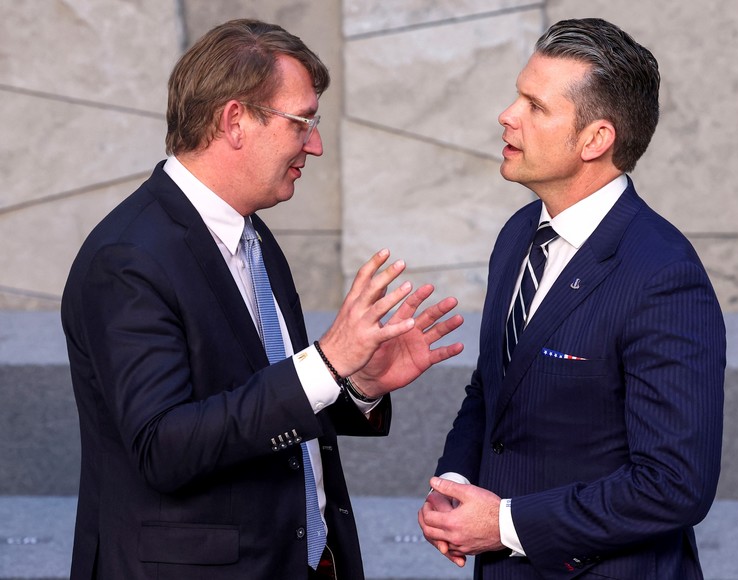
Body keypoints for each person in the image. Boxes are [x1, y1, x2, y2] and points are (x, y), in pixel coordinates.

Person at [61, 18, 464, 580]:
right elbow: (163, 449)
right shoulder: (128, 259)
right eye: (303, 122)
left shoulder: (251, 234)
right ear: (234, 121)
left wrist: (358, 383)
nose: (315, 144)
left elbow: (262, 399)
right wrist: (326, 363)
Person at [418, 18, 726, 579]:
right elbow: (494, 387)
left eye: (535, 106)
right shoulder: (518, 234)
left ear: (595, 139)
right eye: (518, 96)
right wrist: (455, 483)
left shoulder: (663, 275)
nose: (507, 115)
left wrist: (504, 524)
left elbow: (674, 485)